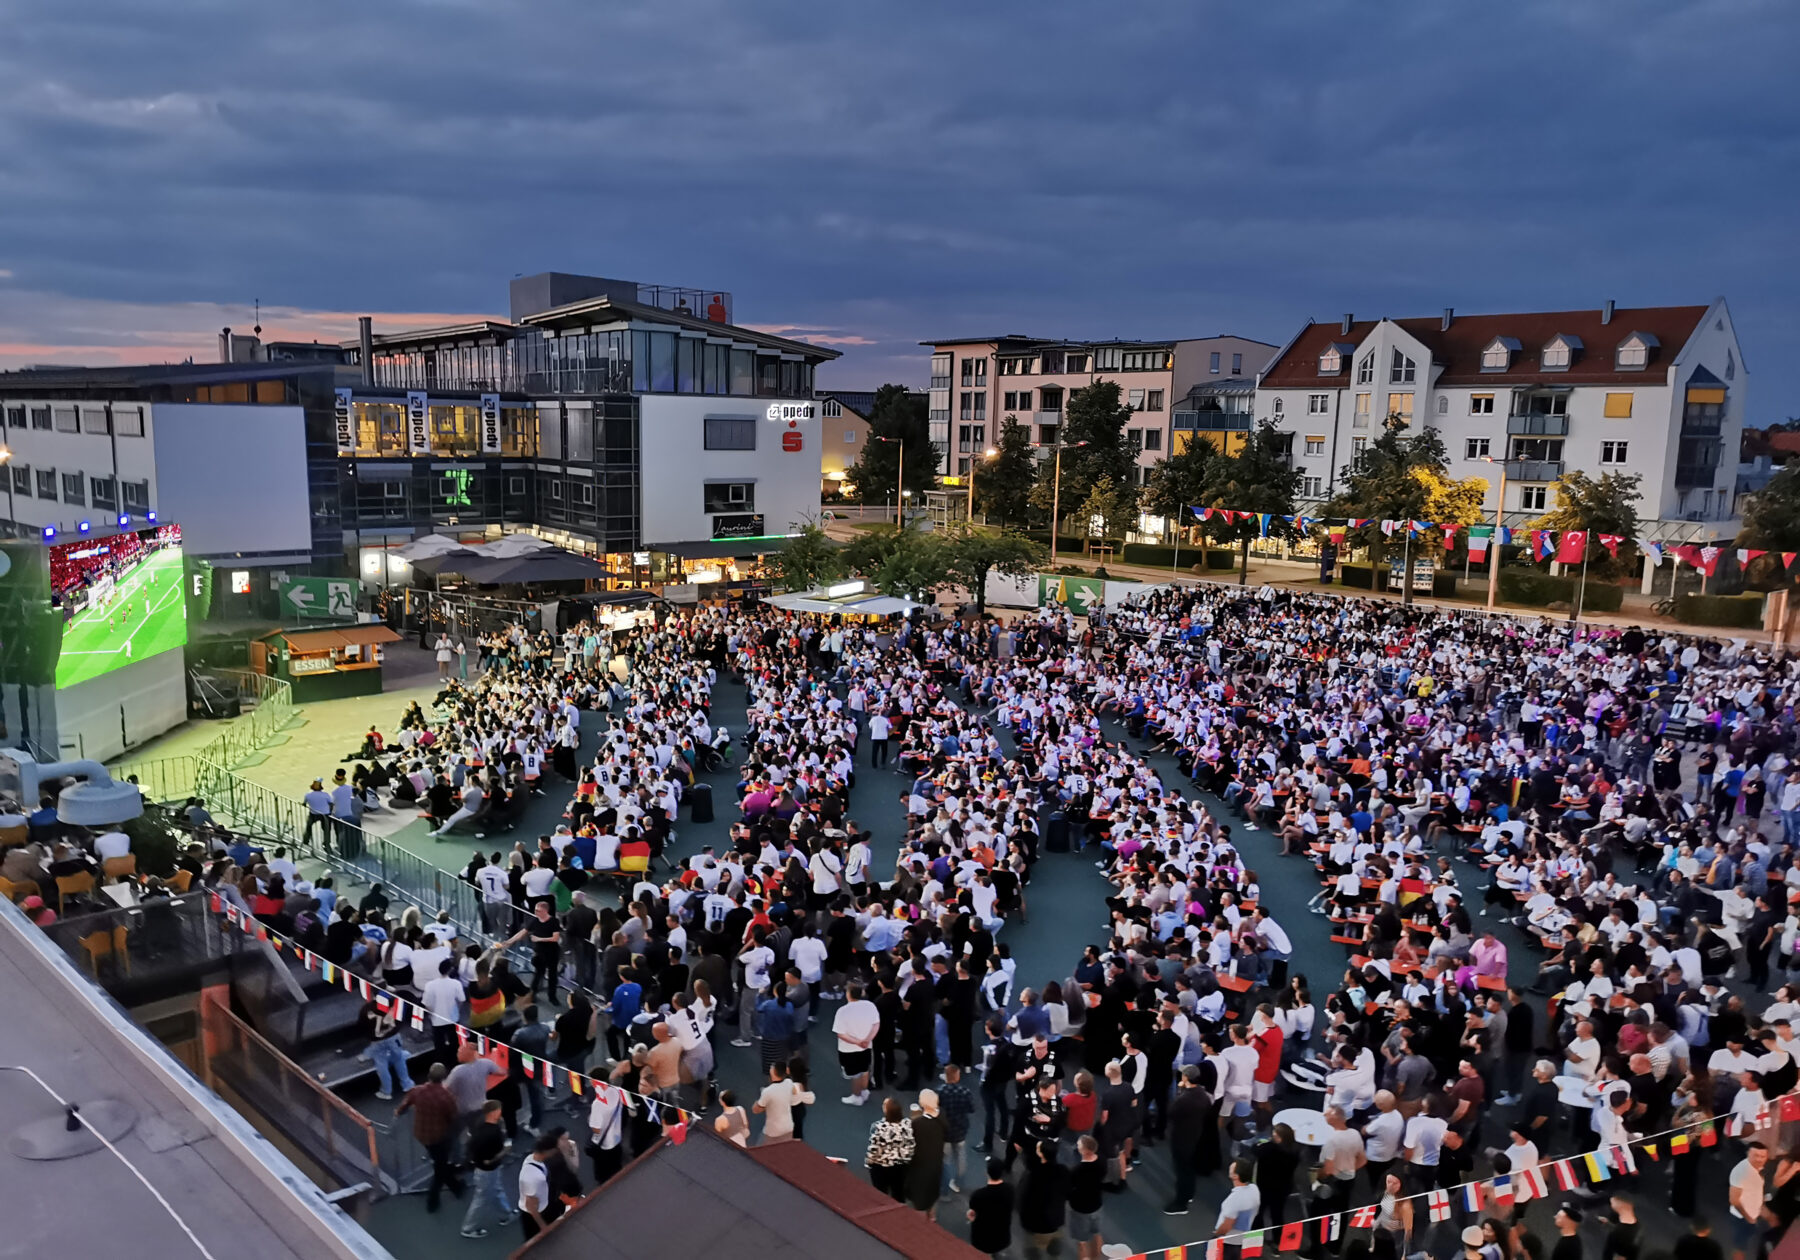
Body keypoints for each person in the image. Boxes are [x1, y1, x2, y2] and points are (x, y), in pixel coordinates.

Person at [394, 1063, 465, 1213]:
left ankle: (456, 1186)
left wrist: (398, 1112)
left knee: (440, 1163)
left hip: (421, 1134)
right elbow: (453, 1118)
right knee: (440, 1168)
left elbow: (404, 1105)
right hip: (439, 1137)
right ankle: (433, 1200)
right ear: (443, 1078)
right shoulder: (446, 1097)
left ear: (429, 1075)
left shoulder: (417, 1091)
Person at [459, 1100, 516, 1240]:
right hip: (488, 1170)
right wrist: (507, 1149)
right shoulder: (494, 1133)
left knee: (496, 1189)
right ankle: (468, 1228)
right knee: (481, 1198)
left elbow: (469, 1141)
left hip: (483, 1167)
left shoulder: (479, 1124)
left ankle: (506, 1214)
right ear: (494, 1112)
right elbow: (495, 1156)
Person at [362, 996, 415, 1101]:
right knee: (399, 1058)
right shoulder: (393, 1004)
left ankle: (386, 1091)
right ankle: (407, 1085)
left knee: (381, 1063)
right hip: (394, 1036)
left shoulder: (372, 1009)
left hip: (380, 1039)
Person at [517, 1131, 565, 1241]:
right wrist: (543, 1226)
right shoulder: (535, 1177)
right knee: (535, 1239)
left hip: (541, 1206)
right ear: (547, 1151)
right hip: (535, 1215)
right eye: (555, 1149)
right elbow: (530, 1205)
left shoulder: (530, 1159)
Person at [866, 1096, 916, 1201]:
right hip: (901, 1165)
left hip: (881, 1166)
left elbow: (874, 1149)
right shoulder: (908, 1124)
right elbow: (911, 1144)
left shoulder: (878, 1127)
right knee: (899, 1193)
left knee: (880, 1194)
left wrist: (869, 1162)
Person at [909, 1090, 948, 1219]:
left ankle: (920, 1224)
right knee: (933, 1191)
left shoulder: (918, 1123)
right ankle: (932, 1216)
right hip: (936, 1161)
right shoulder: (942, 1116)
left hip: (921, 1164)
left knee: (920, 1197)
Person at [1728, 1142, 1771, 1260]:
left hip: (1753, 1215)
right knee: (1739, 1246)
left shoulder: (1758, 1169)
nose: (1760, 1159)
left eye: (1763, 1156)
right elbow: (1734, 1200)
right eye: (1756, 1155)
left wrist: (1762, 1203)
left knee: (1748, 1237)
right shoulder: (1740, 1172)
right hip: (1741, 1218)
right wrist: (1748, 1217)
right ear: (1748, 1154)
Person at [967, 1158, 1016, 1258]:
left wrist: (971, 1217)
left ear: (987, 1173)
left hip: (983, 1238)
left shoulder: (978, 1195)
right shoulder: (1010, 1190)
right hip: (1002, 1236)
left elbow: (973, 1211)